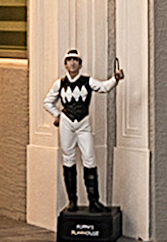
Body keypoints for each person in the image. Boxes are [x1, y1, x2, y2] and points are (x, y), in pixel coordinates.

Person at [48, 51, 120, 214]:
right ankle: (72, 201)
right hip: (67, 122)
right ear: (65, 64)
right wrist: (57, 115)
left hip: (83, 123)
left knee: (89, 158)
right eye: (69, 60)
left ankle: (94, 201)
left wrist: (115, 79)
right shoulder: (60, 84)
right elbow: (48, 101)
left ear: (80, 64)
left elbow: (103, 87)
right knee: (68, 159)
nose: (72, 63)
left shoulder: (88, 81)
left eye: (75, 60)